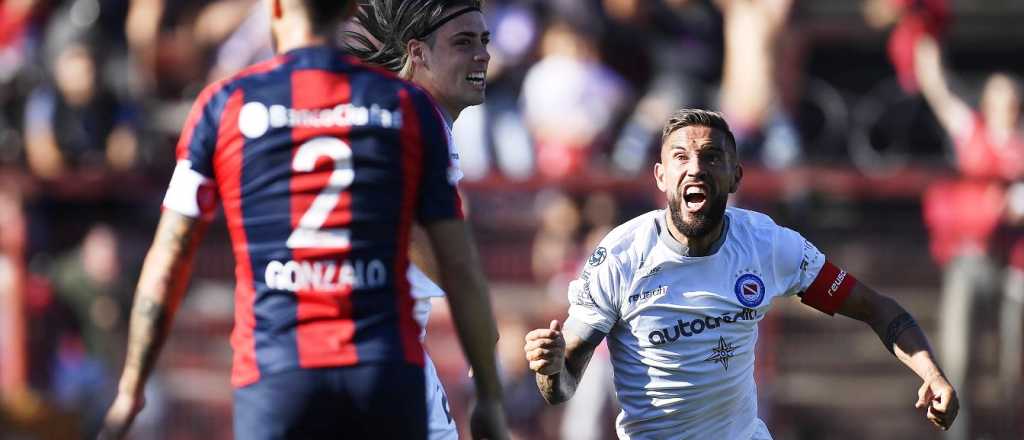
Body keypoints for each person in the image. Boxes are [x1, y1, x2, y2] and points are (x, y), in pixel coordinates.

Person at [97, 1, 508, 439]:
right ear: (350, 8)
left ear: (275, 8)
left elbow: (168, 259)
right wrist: (489, 394)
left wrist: (131, 389)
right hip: (384, 368)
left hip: (278, 373)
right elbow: (459, 269)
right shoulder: (404, 107)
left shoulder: (226, 104)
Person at [523, 109, 958, 439]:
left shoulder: (765, 245)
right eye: (681, 157)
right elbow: (560, 389)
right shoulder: (620, 255)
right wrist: (550, 366)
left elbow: (876, 309)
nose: (695, 167)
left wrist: (932, 374)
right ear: (660, 176)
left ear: (735, 176)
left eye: (712, 158)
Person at [345, 2, 493, 439]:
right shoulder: (416, 115)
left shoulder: (391, 111)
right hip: (381, 348)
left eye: (484, 41)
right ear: (419, 52)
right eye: (463, 42)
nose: (482, 54)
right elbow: (422, 236)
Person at [914, 35, 1024, 440]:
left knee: (1014, 365)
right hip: (969, 259)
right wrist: (926, 43)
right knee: (958, 358)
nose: (1004, 107)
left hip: (1015, 265)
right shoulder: (971, 132)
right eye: (998, 98)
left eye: (1011, 99)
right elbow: (938, 91)